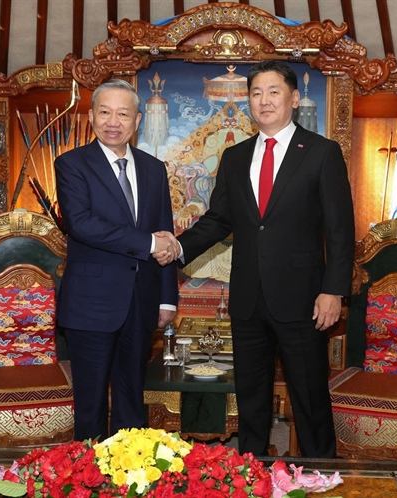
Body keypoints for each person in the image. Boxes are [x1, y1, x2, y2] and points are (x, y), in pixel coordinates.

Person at [156, 60, 355, 457]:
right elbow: (218, 220)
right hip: (247, 298)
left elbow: (340, 230)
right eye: (256, 93)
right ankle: (251, 472)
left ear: (294, 99)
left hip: (304, 299)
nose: (264, 101)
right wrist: (177, 247)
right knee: (250, 396)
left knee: (309, 396)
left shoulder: (321, 153)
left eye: (274, 92)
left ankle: (321, 474)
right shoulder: (235, 157)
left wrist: (333, 292)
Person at [55, 78, 179, 441]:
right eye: (105, 112)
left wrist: (167, 297)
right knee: (91, 405)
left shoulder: (154, 169)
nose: (113, 121)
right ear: (91, 117)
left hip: (141, 303)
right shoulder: (73, 164)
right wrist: (147, 243)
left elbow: (165, 234)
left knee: (130, 401)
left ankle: (128, 480)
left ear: (137, 121)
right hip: (91, 305)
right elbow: (82, 224)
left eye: (123, 114)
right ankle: (86, 483)